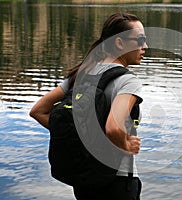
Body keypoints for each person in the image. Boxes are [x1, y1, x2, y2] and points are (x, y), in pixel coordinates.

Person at [30, 12, 147, 200]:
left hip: (86, 182)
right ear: (119, 43)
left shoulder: (83, 74)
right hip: (118, 182)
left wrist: (83, 141)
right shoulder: (127, 82)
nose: (145, 46)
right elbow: (113, 128)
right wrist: (126, 143)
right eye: (140, 39)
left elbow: (38, 111)